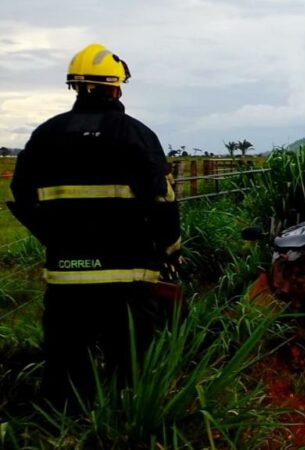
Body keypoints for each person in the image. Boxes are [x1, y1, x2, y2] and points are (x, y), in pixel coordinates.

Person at [7, 43, 181, 404]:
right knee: (130, 370)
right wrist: (169, 251)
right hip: (129, 277)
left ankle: (64, 424)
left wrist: (56, 239)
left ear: (75, 86)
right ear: (116, 88)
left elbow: (21, 196)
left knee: (67, 367)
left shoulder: (45, 136)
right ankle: (128, 423)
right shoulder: (137, 135)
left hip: (67, 278)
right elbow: (162, 202)